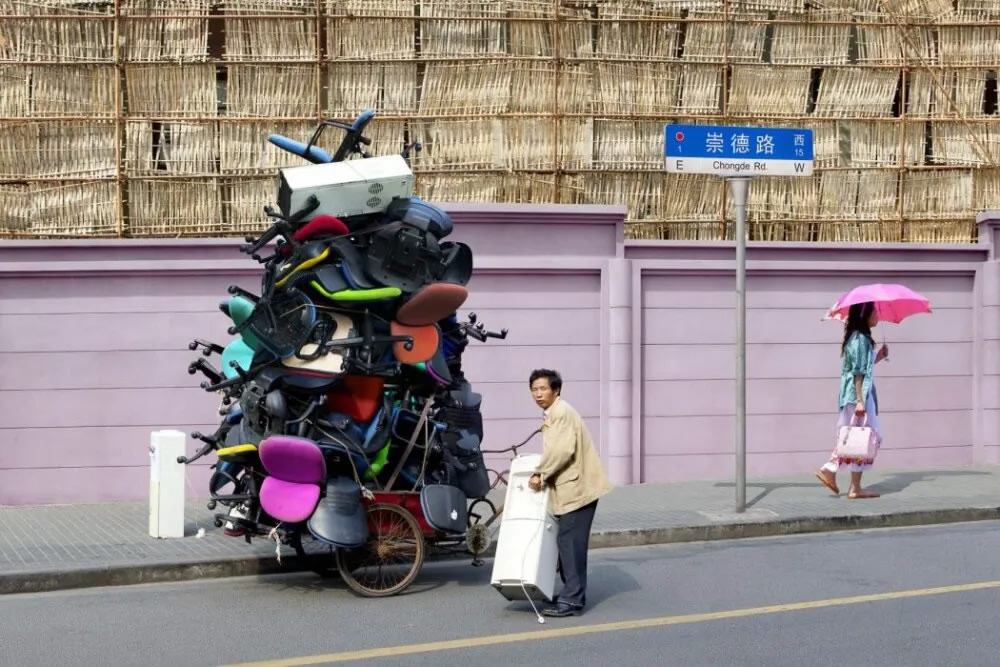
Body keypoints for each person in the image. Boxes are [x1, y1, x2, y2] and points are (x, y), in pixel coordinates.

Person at [526, 368, 612, 617]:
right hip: (571, 489)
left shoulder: (561, 413)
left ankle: (572, 600)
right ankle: (569, 594)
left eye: (543, 389)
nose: (538, 394)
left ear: (556, 390)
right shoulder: (554, 413)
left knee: (570, 544)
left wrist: (539, 473)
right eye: (534, 389)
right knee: (565, 544)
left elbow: (562, 450)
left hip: (578, 490)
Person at [815, 301, 889, 499]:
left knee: (860, 438)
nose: (878, 316)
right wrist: (860, 401)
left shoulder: (862, 338)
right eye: (874, 312)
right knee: (864, 437)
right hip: (857, 397)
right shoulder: (859, 339)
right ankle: (843, 478)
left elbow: (864, 367)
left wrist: (879, 356)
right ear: (865, 315)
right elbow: (857, 373)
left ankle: (841, 476)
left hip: (860, 395)